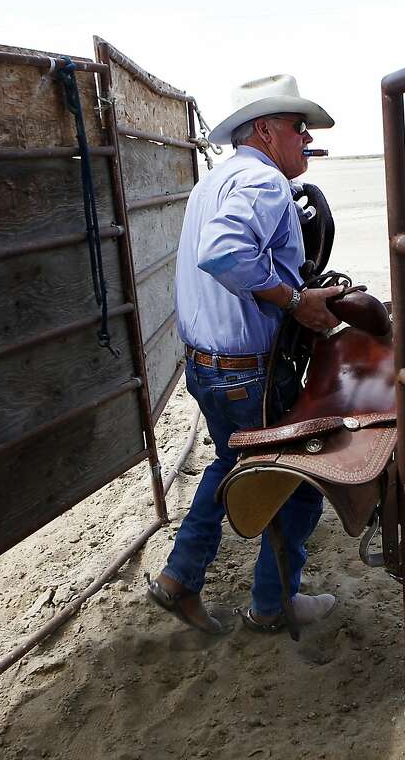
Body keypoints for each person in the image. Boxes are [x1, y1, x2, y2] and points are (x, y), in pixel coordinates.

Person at [146, 74, 343, 634]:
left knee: (232, 466)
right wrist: (297, 299)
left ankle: (181, 578)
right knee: (300, 479)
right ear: (264, 129)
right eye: (297, 127)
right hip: (246, 371)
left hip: (206, 365)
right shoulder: (264, 183)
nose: (305, 139)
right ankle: (272, 603)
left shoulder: (214, 182)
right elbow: (225, 253)